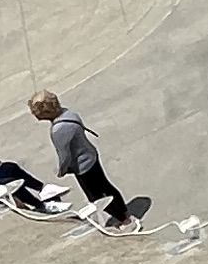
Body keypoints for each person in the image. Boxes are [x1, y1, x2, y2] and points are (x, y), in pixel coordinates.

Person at [26, 87, 139, 224]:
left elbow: (65, 156)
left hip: (82, 166)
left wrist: (62, 171)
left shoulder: (58, 130)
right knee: (106, 186)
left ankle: (123, 220)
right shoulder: (68, 114)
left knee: (96, 197)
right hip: (91, 155)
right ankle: (124, 212)